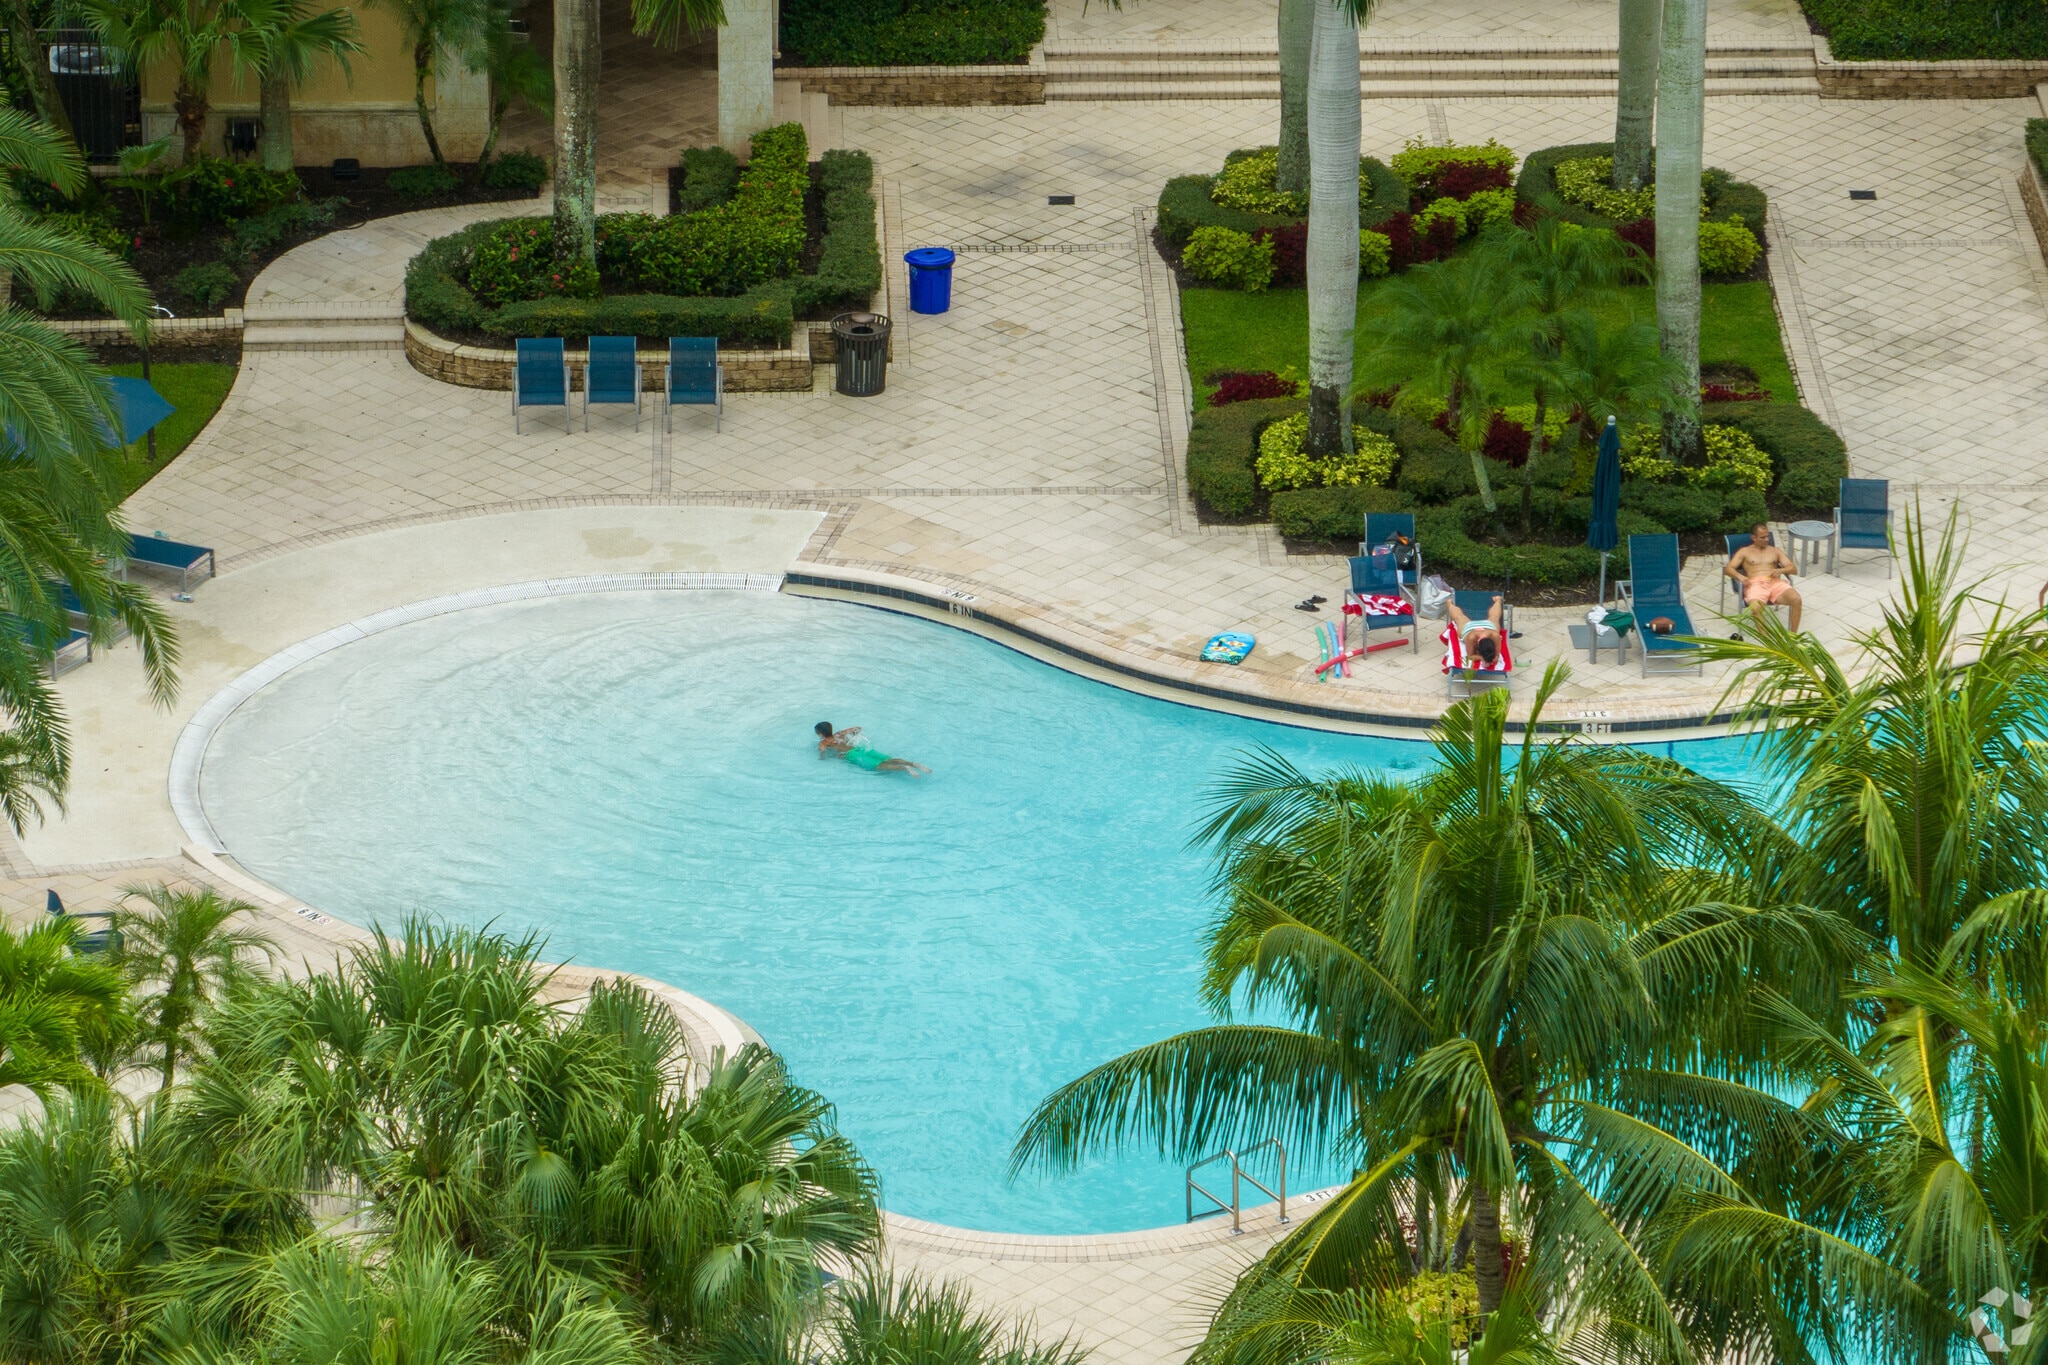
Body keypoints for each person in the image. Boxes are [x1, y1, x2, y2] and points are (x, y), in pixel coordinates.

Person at [1724, 523, 1803, 632]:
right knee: (1755, 609)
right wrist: (1739, 576)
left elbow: (1793, 569)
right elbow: (1728, 569)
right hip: (1755, 585)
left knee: (1796, 599)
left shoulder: (1775, 551)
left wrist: (1780, 570)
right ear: (1753, 537)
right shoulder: (1744, 552)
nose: (1766, 539)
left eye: (1767, 536)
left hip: (1775, 583)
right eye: (1762, 537)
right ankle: (1767, 641)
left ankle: (1793, 636)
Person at [814, 722, 930, 776]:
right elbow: (858, 728)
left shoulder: (823, 742)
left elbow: (823, 754)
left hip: (852, 755)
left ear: (820, 734)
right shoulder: (840, 734)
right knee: (886, 759)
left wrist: (823, 757)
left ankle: (905, 768)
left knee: (878, 766)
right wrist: (852, 737)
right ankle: (913, 764)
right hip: (860, 748)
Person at [1447, 594, 1505, 667]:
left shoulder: (1495, 635)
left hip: (1488, 628)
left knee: (1494, 617)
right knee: (1459, 618)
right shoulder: (1471, 638)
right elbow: (1470, 656)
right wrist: (1482, 658)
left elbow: (1496, 656)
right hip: (1470, 629)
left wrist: (1491, 658)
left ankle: (1498, 600)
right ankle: (1449, 603)